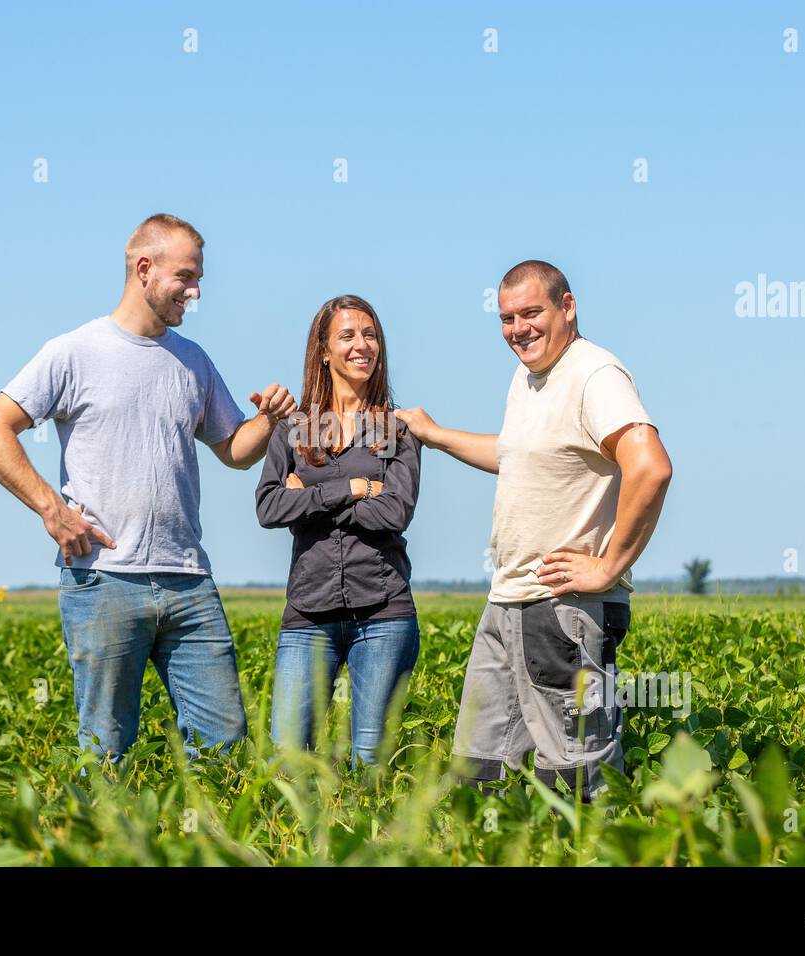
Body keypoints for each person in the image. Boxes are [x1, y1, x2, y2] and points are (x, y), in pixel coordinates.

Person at [0, 213, 297, 762]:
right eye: (186, 278)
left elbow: (234, 451)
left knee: (223, 747)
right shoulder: (74, 352)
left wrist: (272, 419)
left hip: (189, 578)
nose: (194, 293)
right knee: (107, 751)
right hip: (104, 581)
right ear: (144, 269)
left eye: (198, 282)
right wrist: (52, 509)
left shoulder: (193, 361)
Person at [396, 261, 672, 799]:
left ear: (567, 307)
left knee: (574, 771)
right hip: (510, 599)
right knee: (482, 766)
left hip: (562, 607)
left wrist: (609, 565)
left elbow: (651, 465)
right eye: (506, 319)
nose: (518, 329)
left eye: (531, 313)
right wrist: (434, 434)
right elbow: (516, 456)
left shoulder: (594, 374)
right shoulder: (530, 378)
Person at [255, 295, 421, 768]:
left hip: (384, 612)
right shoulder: (293, 428)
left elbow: (394, 514)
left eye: (369, 335)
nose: (361, 345)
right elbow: (268, 507)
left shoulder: (396, 430)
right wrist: (353, 489)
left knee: (370, 761)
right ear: (324, 350)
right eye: (347, 335)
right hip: (308, 613)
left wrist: (308, 491)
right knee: (287, 759)